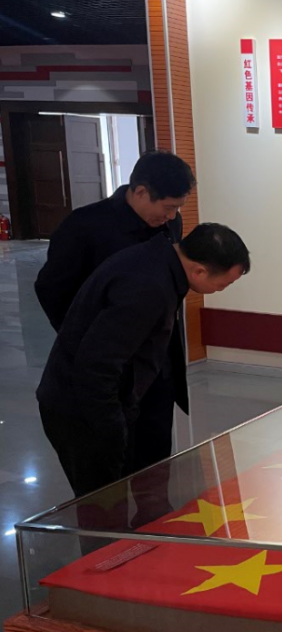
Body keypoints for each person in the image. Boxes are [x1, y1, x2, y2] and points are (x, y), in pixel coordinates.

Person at [37, 224, 250, 498]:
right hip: (82, 411)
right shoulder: (148, 287)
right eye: (224, 284)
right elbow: (97, 366)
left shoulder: (155, 260)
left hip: (106, 404)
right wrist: (113, 429)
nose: (222, 289)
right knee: (102, 504)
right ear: (199, 271)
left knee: (124, 492)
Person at [35, 151, 196, 474]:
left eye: (177, 208)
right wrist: (85, 340)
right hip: (107, 372)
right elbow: (51, 289)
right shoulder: (85, 226)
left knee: (154, 464)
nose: (172, 216)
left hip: (156, 366)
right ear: (140, 192)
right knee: (108, 470)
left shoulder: (169, 223)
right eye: (167, 207)